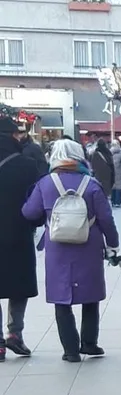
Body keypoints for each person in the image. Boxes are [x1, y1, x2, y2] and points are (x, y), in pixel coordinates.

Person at [21, 140, 119, 362]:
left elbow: (29, 212)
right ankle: (90, 343)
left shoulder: (45, 183)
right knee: (91, 295)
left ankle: (71, 350)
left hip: (57, 247)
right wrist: (113, 243)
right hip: (89, 244)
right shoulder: (91, 184)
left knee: (61, 297)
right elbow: (106, 218)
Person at [0, 117, 43, 361]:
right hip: (18, 232)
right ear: (12, 136)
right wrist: (34, 223)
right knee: (18, 283)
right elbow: (36, 202)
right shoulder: (26, 164)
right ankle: (14, 333)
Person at [110, 141, 121, 207]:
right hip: (120, 170)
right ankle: (118, 202)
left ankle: (113, 201)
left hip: (112, 171)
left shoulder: (110, 152)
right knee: (119, 186)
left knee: (113, 186)